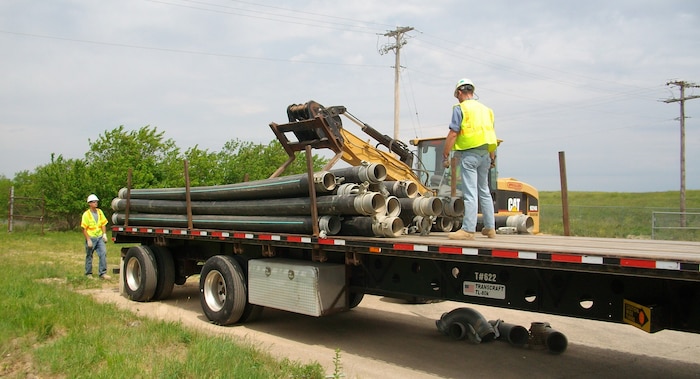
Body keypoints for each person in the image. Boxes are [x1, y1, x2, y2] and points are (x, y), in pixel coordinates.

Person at [442, 78, 498, 240]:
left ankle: (468, 230)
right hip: (485, 154)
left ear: (459, 93)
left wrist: (445, 154)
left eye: (457, 95)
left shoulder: (460, 108)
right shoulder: (486, 110)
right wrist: (492, 156)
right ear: (472, 92)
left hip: (469, 156)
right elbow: (491, 135)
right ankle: (490, 228)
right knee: (484, 191)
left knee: (470, 193)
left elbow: (453, 133)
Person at [81, 194, 111, 279]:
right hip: (91, 238)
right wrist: (88, 240)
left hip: (99, 237)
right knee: (89, 255)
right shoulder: (86, 214)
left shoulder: (100, 212)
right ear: (89, 203)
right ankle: (88, 273)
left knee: (103, 253)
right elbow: (84, 228)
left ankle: (103, 273)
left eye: (96, 201)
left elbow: (103, 224)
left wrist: (104, 234)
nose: (96, 203)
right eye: (94, 202)